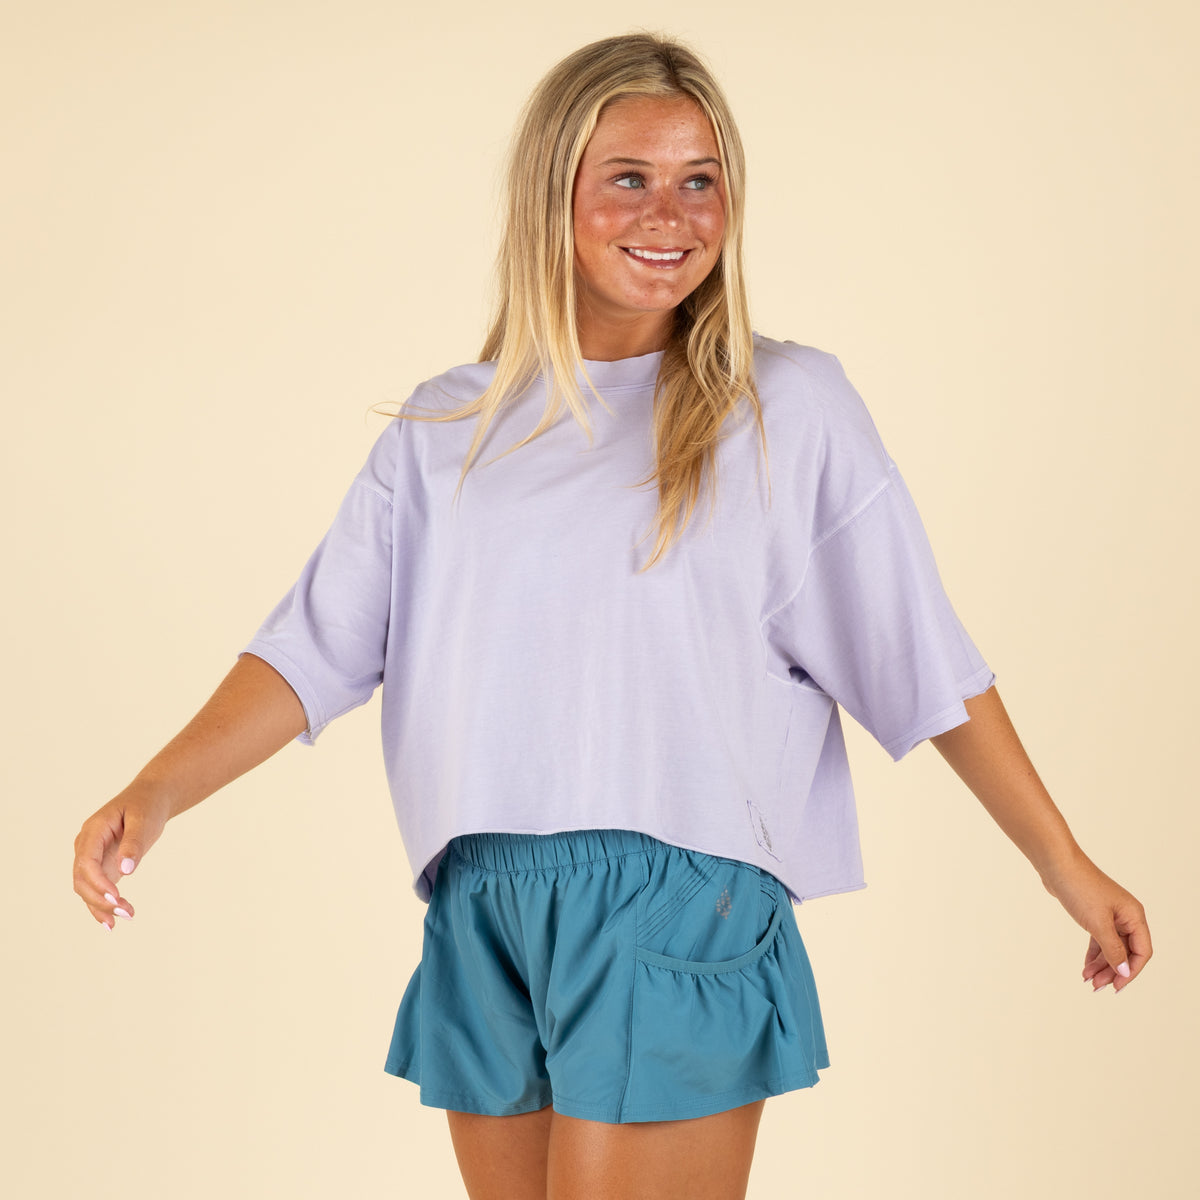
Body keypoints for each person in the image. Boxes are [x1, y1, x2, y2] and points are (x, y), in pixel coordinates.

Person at [72, 32, 1152, 1200]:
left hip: (676, 894)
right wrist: (156, 790)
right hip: (483, 900)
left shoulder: (784, 408)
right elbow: (314, 646)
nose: (670, 215)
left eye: (700, 180)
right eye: (629, 178)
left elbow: (919, 654)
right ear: (554, 192)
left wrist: (1065, 867)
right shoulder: (449, 430)